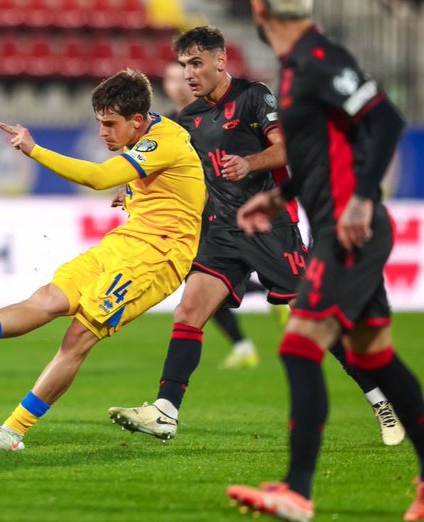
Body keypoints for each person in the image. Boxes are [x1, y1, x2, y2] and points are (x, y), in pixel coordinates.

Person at [108, 26, 403, 447]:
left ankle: (381, 400)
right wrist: (134, 189)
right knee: (189, 312)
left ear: (221, 60)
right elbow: (176, 171)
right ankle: (165, 411)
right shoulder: (189, 119)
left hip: (269, 228)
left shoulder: (254, 96)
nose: (189, 73)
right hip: (221, 232)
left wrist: (249, 163)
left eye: (196, 63)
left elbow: (288, 150)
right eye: (183, 65)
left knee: (316, 320)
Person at [0, 68, 205, 450]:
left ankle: (12, 431)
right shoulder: (150, 137)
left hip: (159, 256)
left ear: (138, 121)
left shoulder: (166, 141)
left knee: (77, 336)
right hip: (125, 241)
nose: (103, 133)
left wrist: (34, 150)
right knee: (48, 298)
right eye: (99, 123)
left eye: (110, 124)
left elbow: (98, 177)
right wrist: (131, 192)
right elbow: (174, 189)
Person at [226, 0, 424, 522]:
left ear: (258, 6)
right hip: (341, 221)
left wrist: (362, 196)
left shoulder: (317, 58)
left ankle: (297, 490)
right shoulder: (294, 66)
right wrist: (281, 196)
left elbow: (385, 119)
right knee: (374, 356)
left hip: (350, 227)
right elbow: (319, 152)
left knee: (299, 344)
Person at [164, 57, 266, 369]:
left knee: (203, 280)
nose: (178, 84)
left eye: (183, 78)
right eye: (171, 79)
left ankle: (268, 296)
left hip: (232, 210)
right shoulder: (169, 124)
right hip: (195, 216)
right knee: (200, 284)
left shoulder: (221, 114)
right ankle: (246, 335)